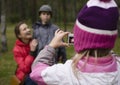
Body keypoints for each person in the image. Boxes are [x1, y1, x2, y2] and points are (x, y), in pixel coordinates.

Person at [30, 0, 120, 85]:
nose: (46, 16)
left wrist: (51, 46)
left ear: (79, 38)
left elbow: (36, 72)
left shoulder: (67, 72)